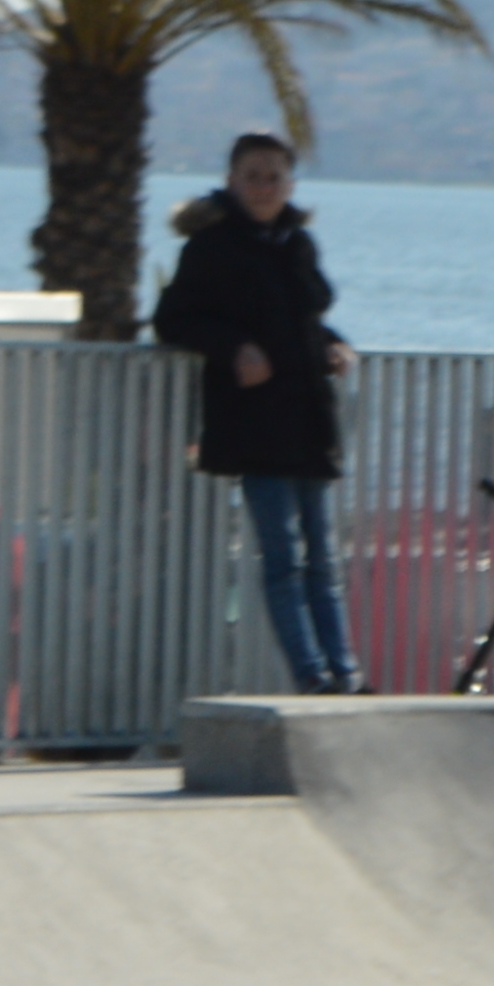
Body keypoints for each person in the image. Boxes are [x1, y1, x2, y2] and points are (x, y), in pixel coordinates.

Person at [151, 129, 358, 698]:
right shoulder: (212, 246)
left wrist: (332, 343)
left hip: (308, 417)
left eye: (273, 175)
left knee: (324, 558)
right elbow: (174, 320)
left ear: (289, 183)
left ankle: (346, 672)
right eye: (252, 175)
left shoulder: (296, 244)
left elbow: (300, 317)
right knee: (283, 559)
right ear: (231, 181)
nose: (263, 186)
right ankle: (310, 674)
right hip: (255, 422)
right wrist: (233, 348)